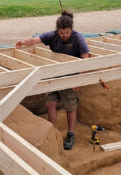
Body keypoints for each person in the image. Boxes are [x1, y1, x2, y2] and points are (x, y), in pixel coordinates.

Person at [16, 10, 89, 150]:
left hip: (70, 78)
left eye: (67, 33)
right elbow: (35, 40)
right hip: (53, 76)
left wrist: (79, 79)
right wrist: (23, 42)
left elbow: (85, 57)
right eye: (62, 33)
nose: (64, 35)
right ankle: (52, 131)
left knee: (70, 107)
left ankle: (71, 134)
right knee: (50, 103)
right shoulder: (52, 35)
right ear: (58, 30)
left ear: (71, 30)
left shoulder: (78, 38)